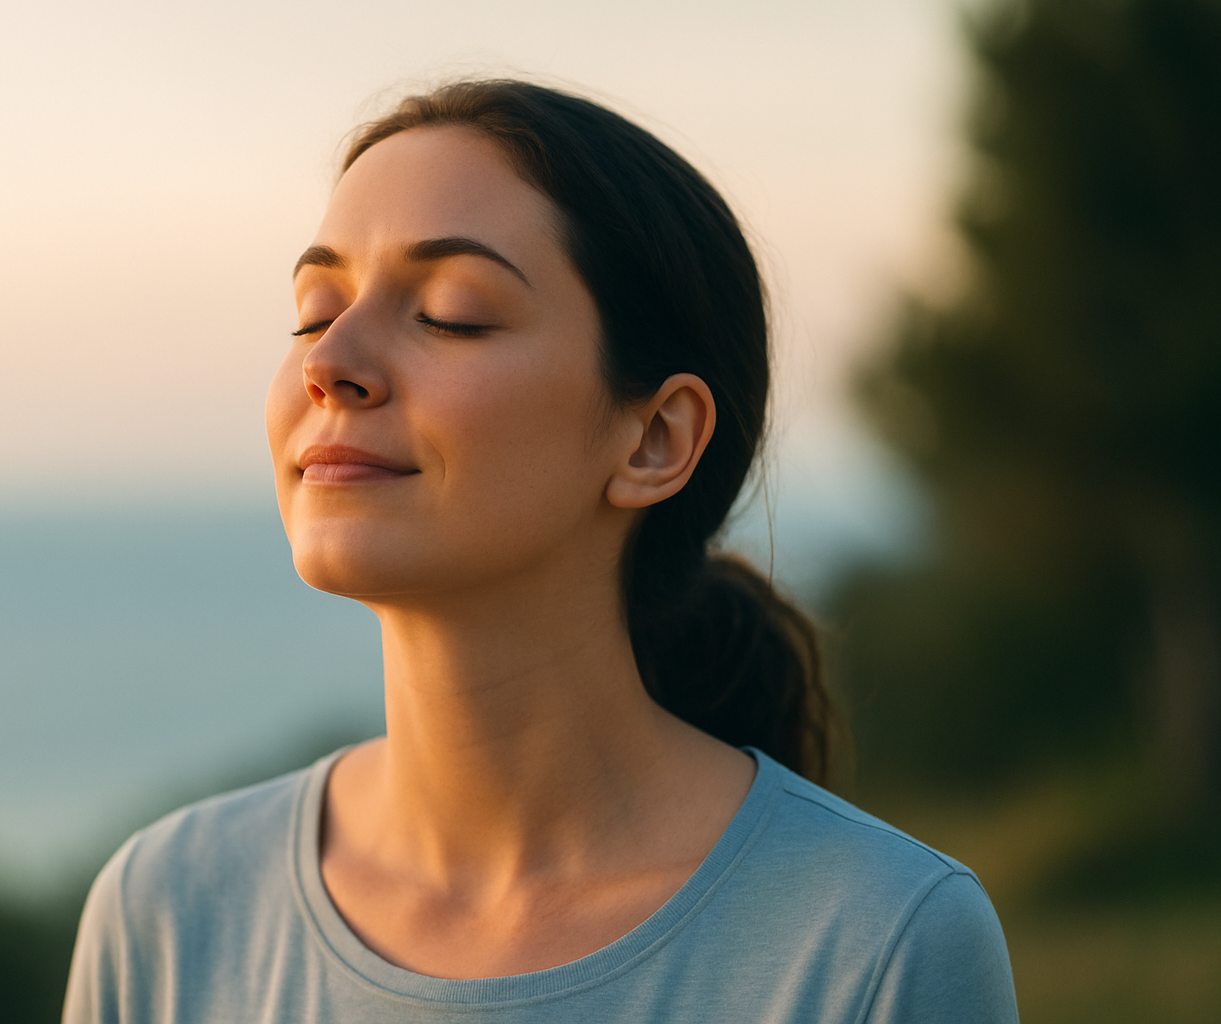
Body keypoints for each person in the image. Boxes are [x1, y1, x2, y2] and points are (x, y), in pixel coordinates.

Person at [62, 79, 1018, 1023]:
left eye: (450, 311)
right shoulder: (168, 913)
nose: (327, 362)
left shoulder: (878, 942)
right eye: (316, 311)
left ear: (655, 441)